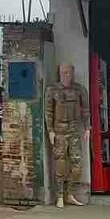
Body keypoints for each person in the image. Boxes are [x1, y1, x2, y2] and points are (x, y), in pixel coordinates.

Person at [44, 64, 90, 208]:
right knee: (60, 165)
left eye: (69, 72)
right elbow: (48, 111)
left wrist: (88, 127)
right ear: (59, 73)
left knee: (77, 166)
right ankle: (59, 196)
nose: (66, 75)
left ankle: (70, 193)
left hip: (74, 131)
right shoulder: (52, 90)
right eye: (64, 72)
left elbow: (86, 110)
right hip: (59, 132)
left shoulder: (79, 90)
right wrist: (50, 131)